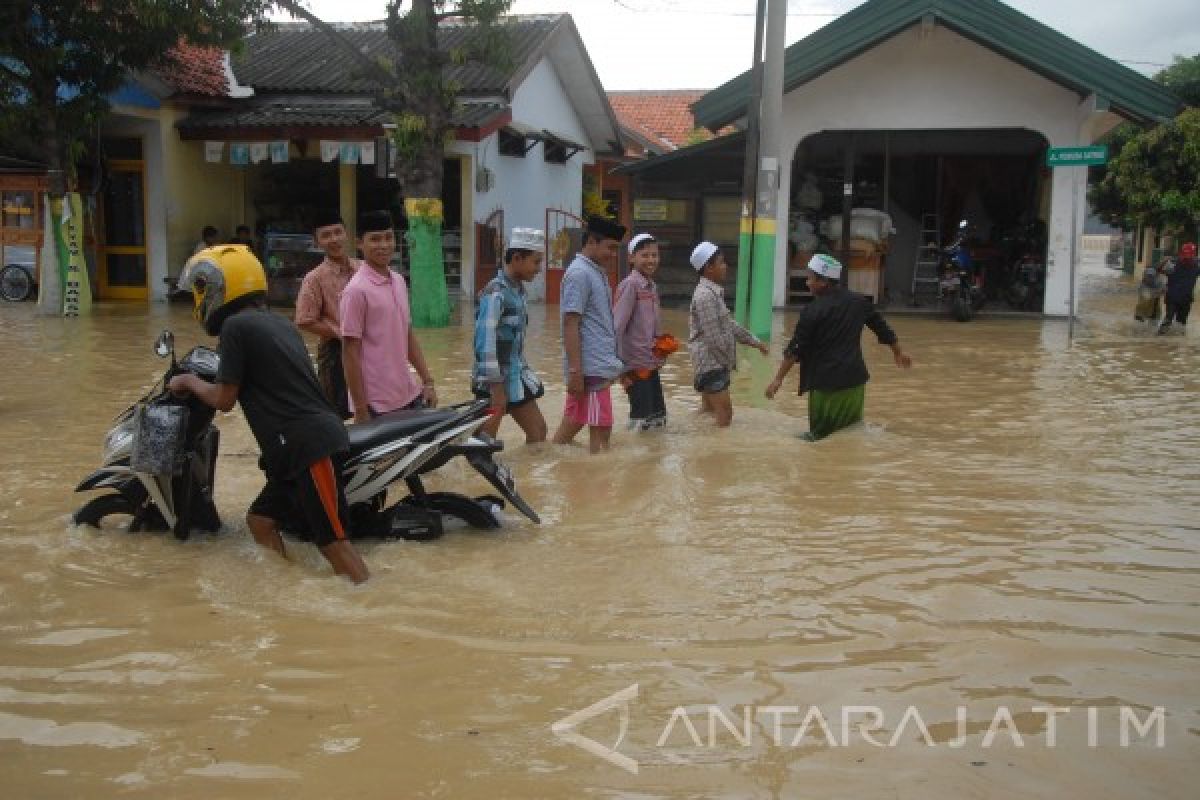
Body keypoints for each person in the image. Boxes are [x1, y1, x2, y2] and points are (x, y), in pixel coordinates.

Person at [167, 245, 370, 583]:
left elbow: (224, 398)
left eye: (200, 291)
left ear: (220, 287)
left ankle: (369, 606)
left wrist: (187, 380)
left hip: (307, 445)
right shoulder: (277, 322)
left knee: (333, 541)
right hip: (291, 449)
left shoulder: (235, 328)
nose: (198, 301)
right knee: (260, 522)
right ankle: (291, 586)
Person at [765, 253, 913, 441]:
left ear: (824, 281)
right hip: (855, 382)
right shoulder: (859, 302)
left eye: (810, 278)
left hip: (826, 385)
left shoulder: (812, 311)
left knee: (818, 439)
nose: (807, 283)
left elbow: (795, 348)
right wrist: (898, 352)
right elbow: (881, 328)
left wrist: (778, 379)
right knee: (850, 432)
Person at [340, 210, 438, 422]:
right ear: (359, 243)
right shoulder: (356, 291)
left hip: (408, 393)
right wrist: (360, 409)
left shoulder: (399, 281)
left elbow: (407, 335)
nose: (383, 245)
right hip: (377, 404)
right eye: (375, 239)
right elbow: (350, 352)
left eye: (388, 237)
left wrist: (427, 381)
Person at [552, 215, 627, 453]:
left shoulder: (596, 272)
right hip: (589, 370)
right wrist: (575, 371)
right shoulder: (579, 274)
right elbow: (570, 323)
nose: (613, 255)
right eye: (610, 248)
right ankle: (598, 488)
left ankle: (548, 464)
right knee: (602, 436)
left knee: (570, 429)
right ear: (592, 241)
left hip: (594, 367)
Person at [472, 227, 548, 443]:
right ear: (517, 258)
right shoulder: (496, 292)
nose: (539, 269)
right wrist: (495, 386)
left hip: (514, 376)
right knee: (483, 443)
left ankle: (525, 476)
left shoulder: (518, 291)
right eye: (536, 262)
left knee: (538, 432)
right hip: (493, 380)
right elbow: (484, 341)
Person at [688, 241, 769, 427]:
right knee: (725, 414)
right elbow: (714, 338)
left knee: (708, 412)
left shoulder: (712, 293)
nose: (726, 267)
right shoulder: (705, 296)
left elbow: (729, 325)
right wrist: (729, 362)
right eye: (721, 262)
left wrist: (754, 342)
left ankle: (699, 443)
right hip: (712, 363)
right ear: (708, 268)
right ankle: (717, 454)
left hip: (711, 362)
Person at [295, 210, 361, 419]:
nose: (334, 239)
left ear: (346, 234)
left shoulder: (364, 269)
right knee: (336, 414)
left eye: (337, 232)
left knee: (373, 406)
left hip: (368, 346)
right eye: (326, 235)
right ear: (317, 242)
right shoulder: (314, 278)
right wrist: (339, 332)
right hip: (334, 352)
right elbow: (304, 320)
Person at [613, 232, 668, 430]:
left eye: (654, 255)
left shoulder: (651, 287)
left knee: (658, 419)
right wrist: (620, 370)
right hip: (635, 367)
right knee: (640, 421)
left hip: (651, 364)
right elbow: (616, 328)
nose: (651, 260)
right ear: (631, 258)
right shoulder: (630, 285)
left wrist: (661, 350)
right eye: (645, 255)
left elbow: (652, 327)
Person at [1159, 242, 1198, 335]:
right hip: (1172, 298)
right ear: (1182, 254)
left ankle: (1178, 343)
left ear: (1193, 255)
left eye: (1189, 255)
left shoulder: (1197, 265)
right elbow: (1158, 270)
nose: (1187, 258)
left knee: (1181, 324)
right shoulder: (1172, 263)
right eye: (1185, 255)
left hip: (1186, 299)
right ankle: (1159, 340)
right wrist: (1163, 262)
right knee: (1168, 320)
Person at [1135, 258, 1165, 324]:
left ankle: (1151, 323)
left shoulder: (1159, 274)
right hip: (1147, 294)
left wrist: (1162, 289)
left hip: (1154, 296)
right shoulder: (1151, 271)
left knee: (1154, 313)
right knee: (1143, 310)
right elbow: (1148, 280)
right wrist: (1161, 288)